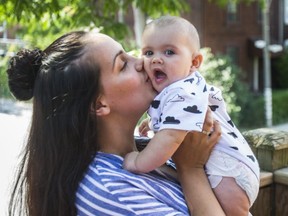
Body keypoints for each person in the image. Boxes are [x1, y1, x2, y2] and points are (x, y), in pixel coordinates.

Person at [7, 30, 224, 216]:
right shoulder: (109, 190)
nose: (141, 62)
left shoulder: (155, 148)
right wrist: (191, 169)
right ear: (98, 105)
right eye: (123, 65)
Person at [123, 15, 260, 216]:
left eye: (169, 52)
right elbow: (177, 121)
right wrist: (153, 122)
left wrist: (138, 162)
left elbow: (171, 136)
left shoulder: (182, 92)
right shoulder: (183, 87)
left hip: (228, 170)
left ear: (194, 61)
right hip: (232, 165)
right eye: (148, 52)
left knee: (235, 212)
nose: (156, 59)